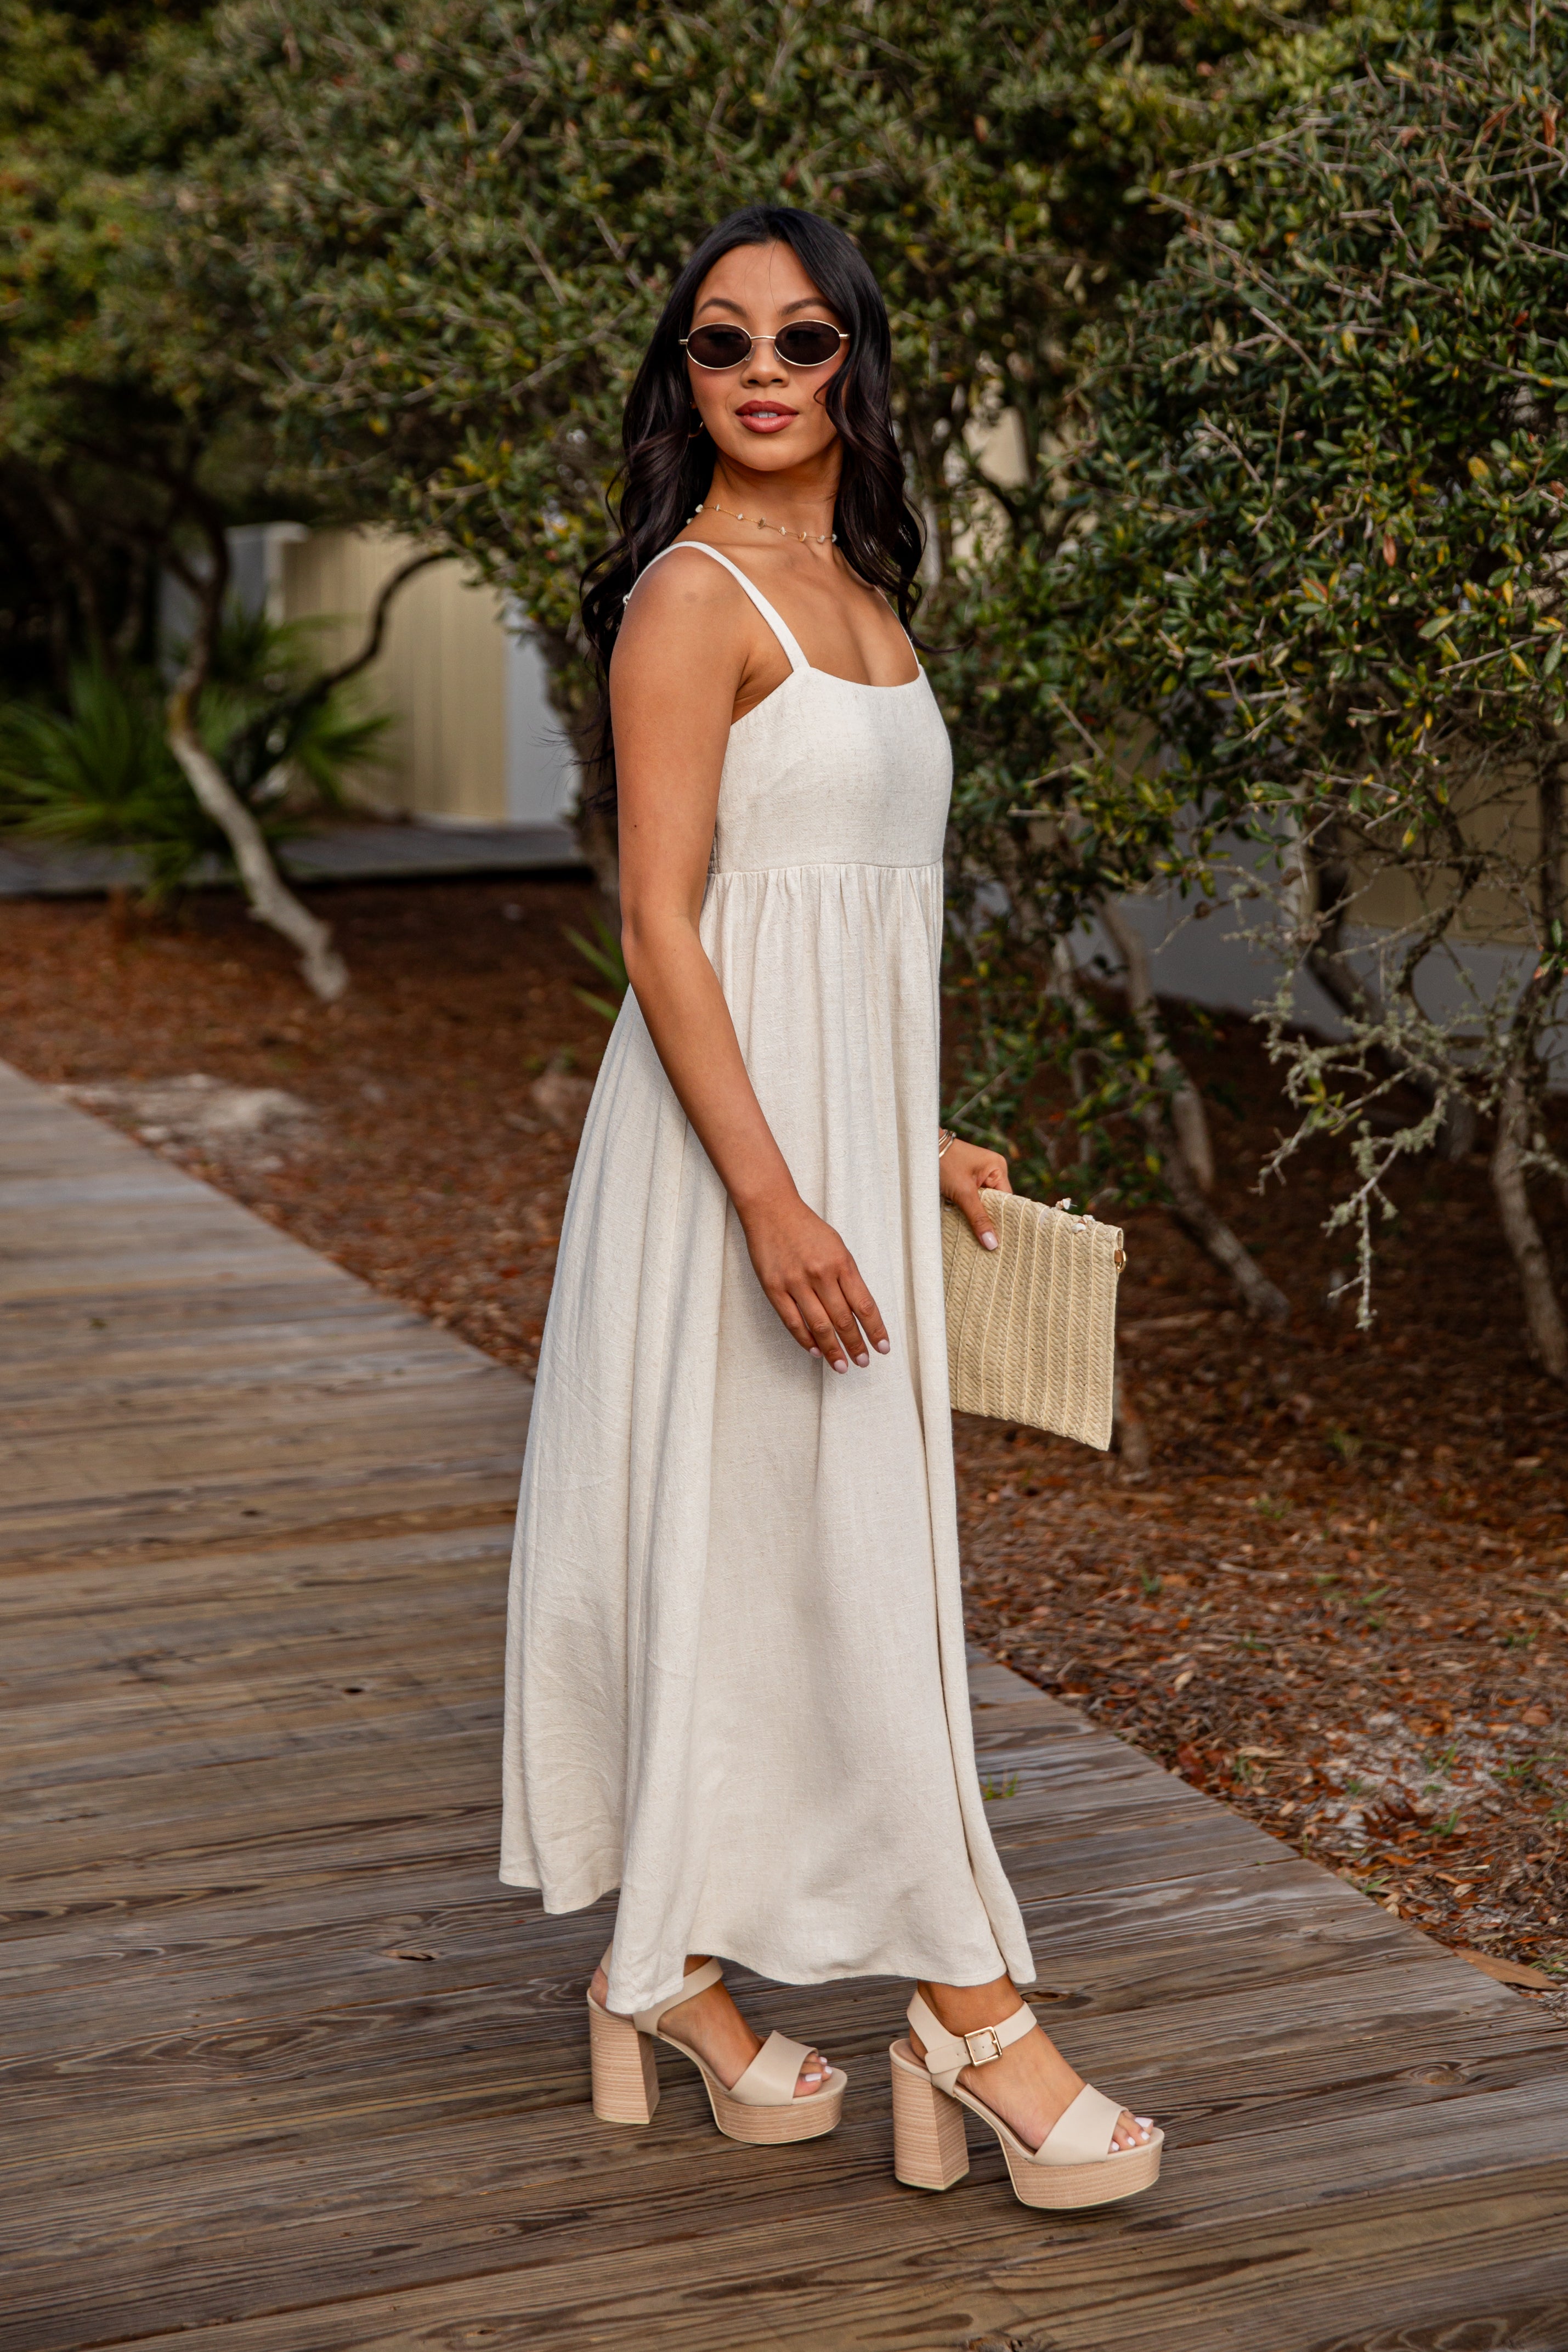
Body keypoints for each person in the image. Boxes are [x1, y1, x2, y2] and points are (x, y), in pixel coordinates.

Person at [501, 205, 1159, 2208]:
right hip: (724, 1180)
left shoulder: (865, 585)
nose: (764, 371)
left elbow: (846, 928)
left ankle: (674, 1974)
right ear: (681, 379)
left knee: (815, 1564)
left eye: (802, 339)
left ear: (857, 365)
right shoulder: (688, 601)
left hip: (827, 1159)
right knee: (793, 1560)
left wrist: (916, 1141)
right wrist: (784, 1198)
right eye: (721, 345)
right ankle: (970, 2019)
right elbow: (667, 929)